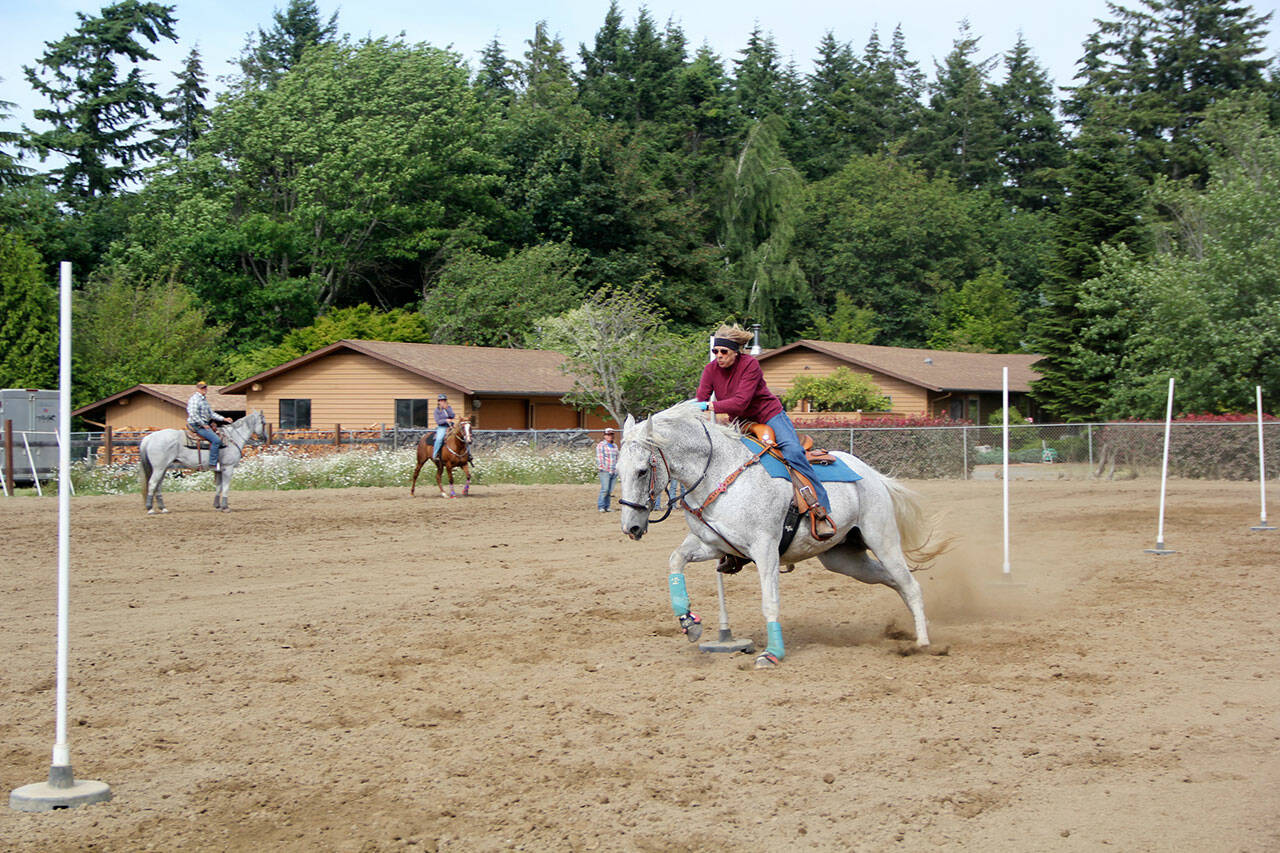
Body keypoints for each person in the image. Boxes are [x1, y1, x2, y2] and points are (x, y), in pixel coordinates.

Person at [694, 324, 832, 516]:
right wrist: (690, 409)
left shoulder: (750, 365)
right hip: (740, 421)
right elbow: (700, 399)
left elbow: (740, 403)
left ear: (736, 352)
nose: (719, 355)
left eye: (723, 351)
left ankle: (820, 504)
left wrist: (709, 406)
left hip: (768, 414)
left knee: (793, 452)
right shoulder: (710, 370)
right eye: (715, 351)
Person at [187, 381, 232, 470]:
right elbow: (193, 414)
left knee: (222, 435)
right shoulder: (194, 399)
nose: (204, 389)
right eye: (202, 388)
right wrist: (203, 424)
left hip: (204, 424)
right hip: (196, 424)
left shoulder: (204, 400)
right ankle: (213, 464)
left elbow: (211, 414)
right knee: (216, 440)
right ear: (197, 389)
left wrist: (224, 419)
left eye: (205, 387)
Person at [596, 427, 618, 512]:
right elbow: (600, 458)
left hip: (614, 470)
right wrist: (602, 468)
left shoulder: (614, 446)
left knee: (609, 490)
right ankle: (601, 506)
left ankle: (607, 506)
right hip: (605, 471)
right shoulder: (601, 445)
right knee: (605, 489)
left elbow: (617, 457)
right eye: (608, 435)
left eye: (611, 435)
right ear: (604, 436)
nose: (610, 436)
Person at [432, 394, 455, 461]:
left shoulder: (449, 408)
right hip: (442, 427)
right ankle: (435, 454)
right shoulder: (437, 410)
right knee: (439, 439)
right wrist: (445, 420)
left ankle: (468, 455)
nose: (443, 402)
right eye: (441, 400)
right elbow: (438, 421)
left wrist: (447, 409)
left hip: (450, 426)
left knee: (462, 436)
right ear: (438, 402)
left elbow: (452, 415)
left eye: (444, 400)